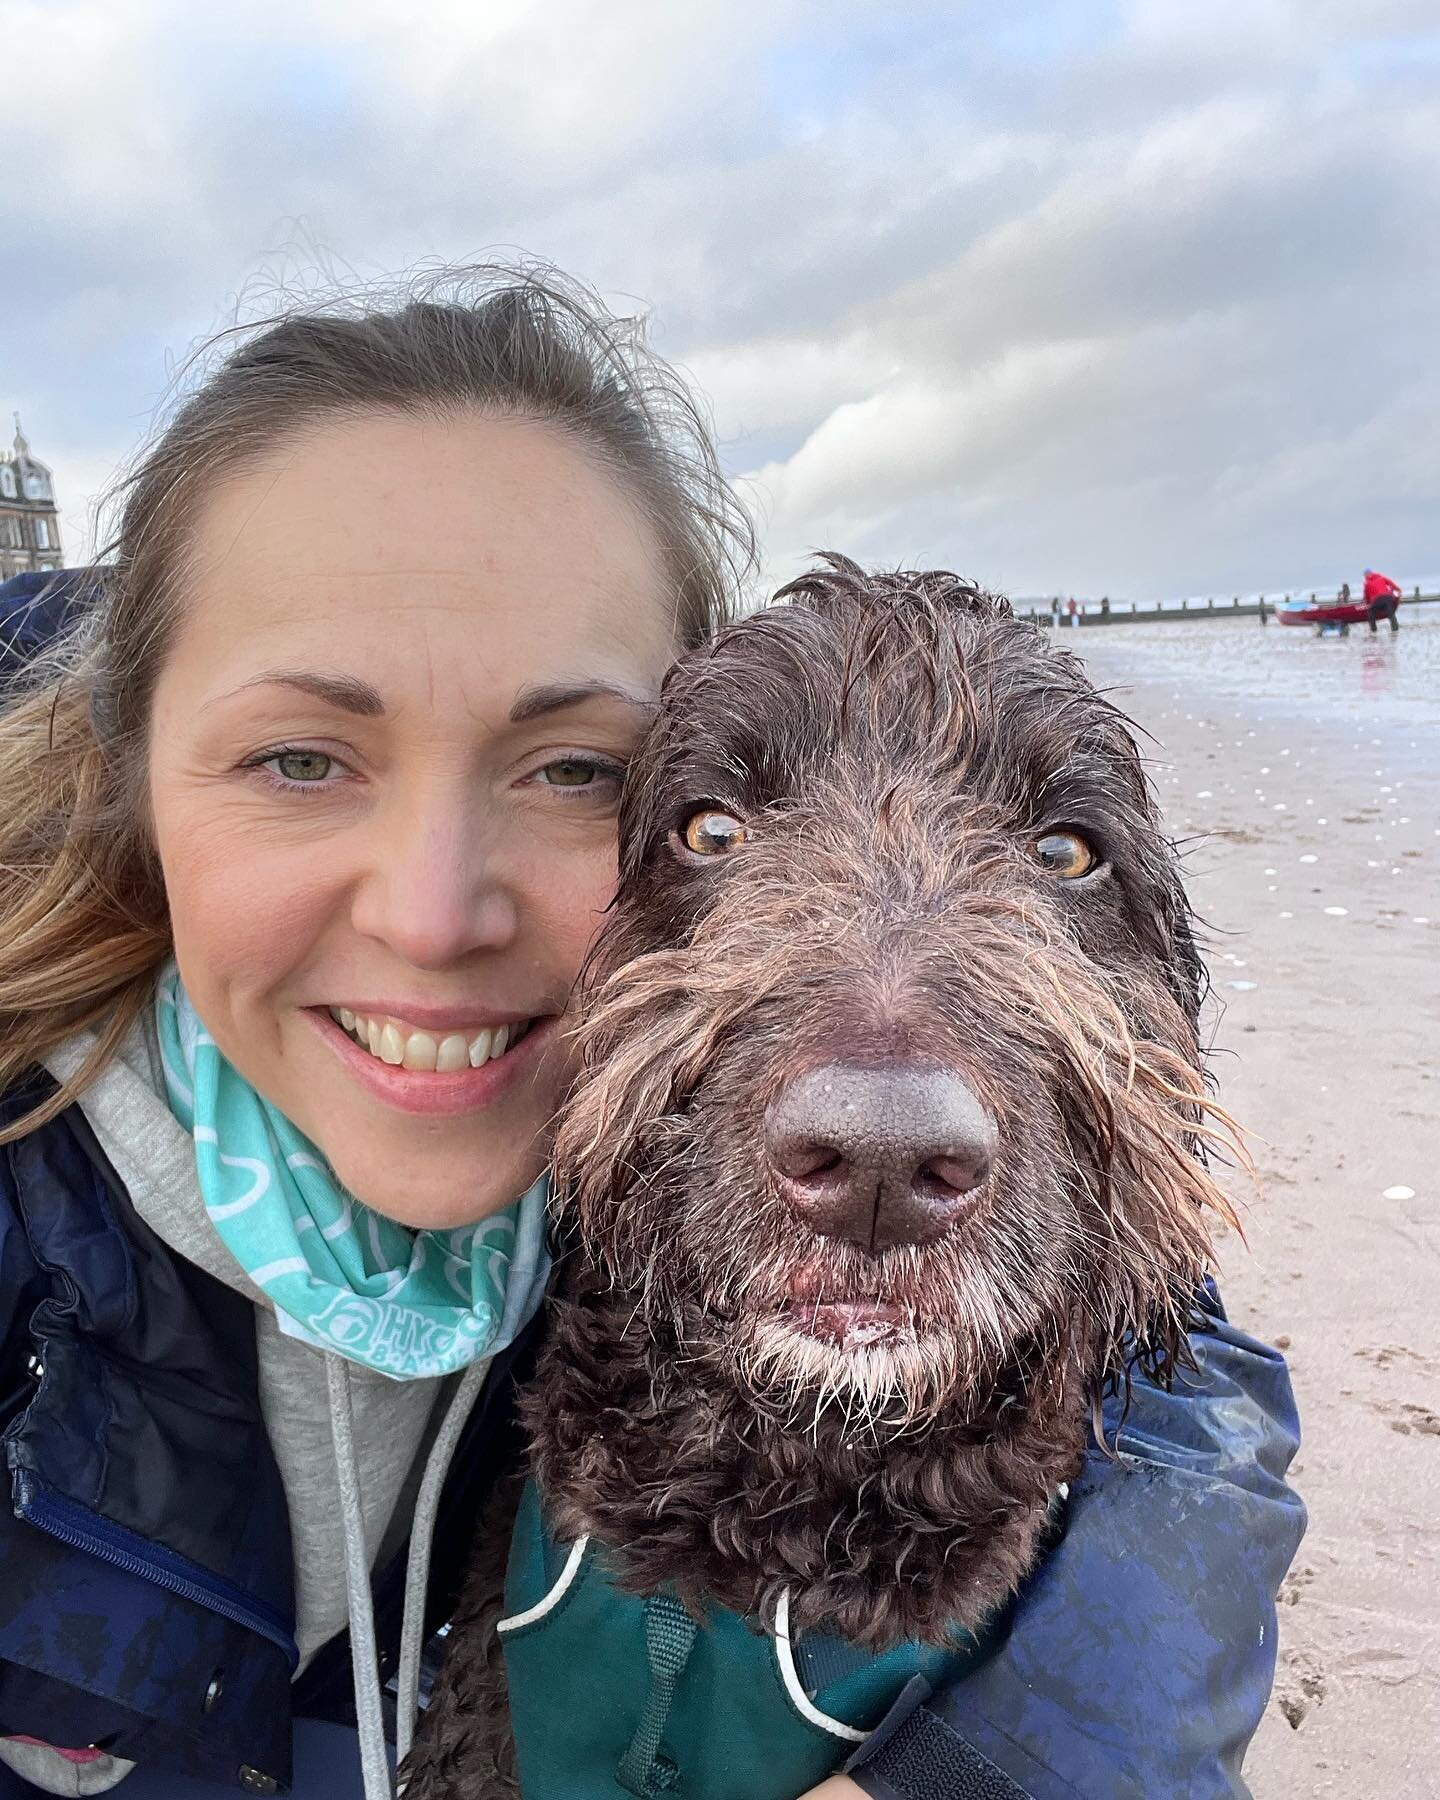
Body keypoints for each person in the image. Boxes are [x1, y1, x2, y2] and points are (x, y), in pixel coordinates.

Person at [0, 265, 1304, 1800]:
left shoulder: (592, 1094)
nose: (432, 919)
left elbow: (1179, 1345)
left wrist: (1016, 1765)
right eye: (301, 757)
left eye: (571, 771)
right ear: (126, 778)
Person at [1362, 567, 1403, 633]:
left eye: (1365, 575)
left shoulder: (1367, 583)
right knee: (1391, 614)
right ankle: (1395, 630)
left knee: (1370, 613)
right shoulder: (1381, 578)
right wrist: (1398, 590)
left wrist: (1367, 604)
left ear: (1366, 575)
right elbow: (1391, 584)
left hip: (1377, 600)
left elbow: (1366, 596)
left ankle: (1374, 631)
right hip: (1388, 598)